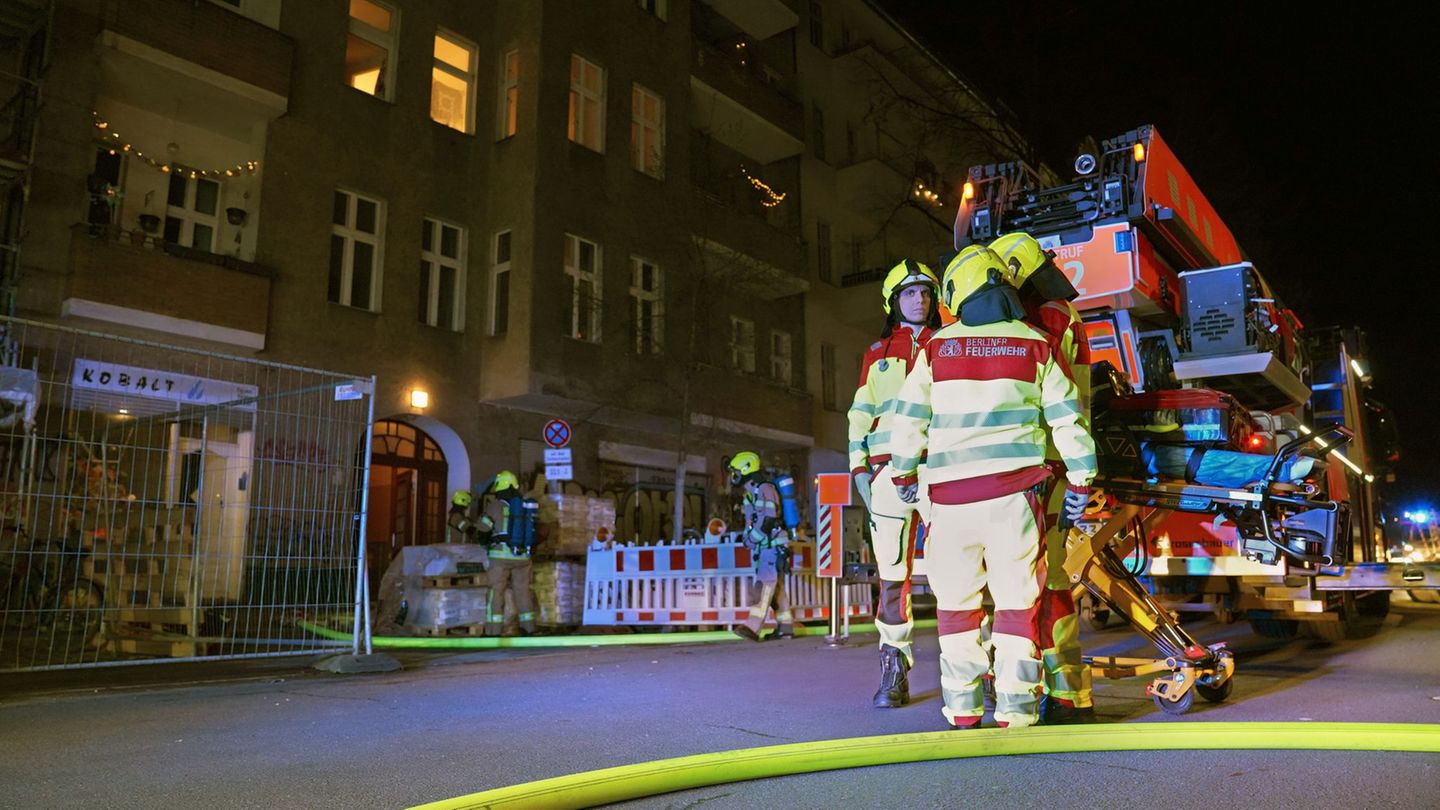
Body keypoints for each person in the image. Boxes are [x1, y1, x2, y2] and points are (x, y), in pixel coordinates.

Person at [888, 245, 1096, 729]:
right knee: (1018, 605)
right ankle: (1018, 710)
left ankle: (962, 710)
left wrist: (902, 476)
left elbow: (908, 421)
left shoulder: (937, 347)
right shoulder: (1036, 340)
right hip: (1018, 499)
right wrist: (1083, 480)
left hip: (950, 503)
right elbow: (1070, 419)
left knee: (957, 609)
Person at [990, 230, 1095, 724]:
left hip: (1040, 466)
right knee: (1045, 578)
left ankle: (1045, 695)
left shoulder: (1040, 320)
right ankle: (1064, 692)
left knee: (1035, 581)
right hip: (1058, 463)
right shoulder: (1064, 313)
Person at [846, 259, 941, 707]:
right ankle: (894, 668)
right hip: (886, 475)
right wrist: (859, 469)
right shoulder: (877, 352)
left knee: (963, 573)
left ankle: (981, 671)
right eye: (909, 293)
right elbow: (860, 413)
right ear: (893, 301)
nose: (919, 300)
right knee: (892, 578)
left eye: (925, 292)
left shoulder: (950, 342)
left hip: (940, 470)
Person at [728, 451, 796, 642]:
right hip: (768, 546)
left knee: (764, 585)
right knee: (777, 588)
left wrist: (752, 540)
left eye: (735, 472)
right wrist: (749, 537)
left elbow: (768, 519)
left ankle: (752, 626)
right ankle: (786, 628)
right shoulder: (751, 493)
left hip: (771, 547)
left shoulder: (764, 489)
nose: (733, 477)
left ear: (746, 469)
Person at [478, 470, 538, 636]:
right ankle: (529, 629)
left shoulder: (495, 506)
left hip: (500, 557)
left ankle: (493, 631)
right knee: (523, 591)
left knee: (496, 592)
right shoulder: (525, 507)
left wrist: (484, 544)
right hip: (523, 557)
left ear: (499, 487)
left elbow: (482, 529)